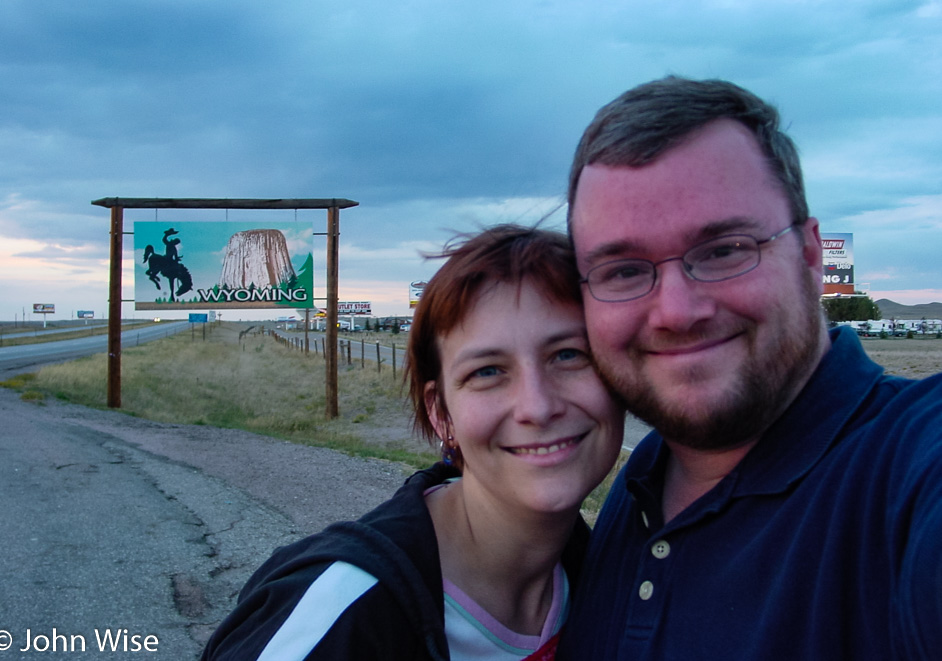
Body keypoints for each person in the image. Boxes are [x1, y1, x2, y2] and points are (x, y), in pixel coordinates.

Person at [557, 76, 942, 660]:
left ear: (811, 257)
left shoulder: (909, 474)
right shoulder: (636, 485)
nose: (677, 312)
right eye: (624, 270)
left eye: (724, 250)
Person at [201, 225, 625, 660]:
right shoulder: (344, 618)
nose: (537, 406)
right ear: (441, 414)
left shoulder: (616, 581)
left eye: (570, 355)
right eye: (487, 371)